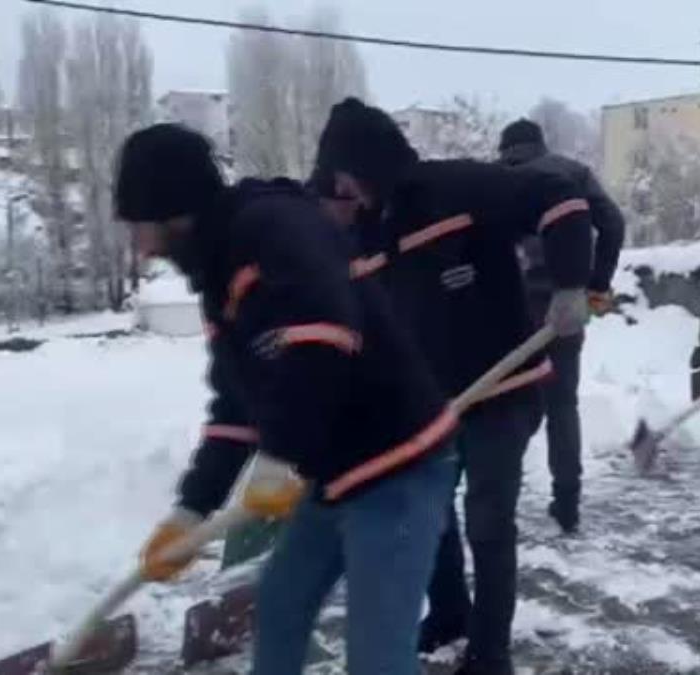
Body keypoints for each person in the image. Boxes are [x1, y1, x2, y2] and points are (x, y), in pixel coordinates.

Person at [115, 124, 458, 675]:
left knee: (377, 658)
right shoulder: (220, 270)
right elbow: (236, 406)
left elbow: (326, 335)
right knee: (280, 606)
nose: (140, 243)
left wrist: (278, 455)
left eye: (140, 225)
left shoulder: (272, 227)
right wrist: (190, 510)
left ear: (172, 210)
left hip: (400, 462)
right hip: (337, 469)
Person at [310, 98, 593, 675]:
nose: (343, 194)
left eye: (344, 179)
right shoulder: (361, 237)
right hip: (430, 402)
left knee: (487, 520)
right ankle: (449, 615)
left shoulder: (455, 187)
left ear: (366, 165)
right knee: (429, 515)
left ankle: (491, 653)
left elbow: (561, 201)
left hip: (502, 387)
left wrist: (571, 284)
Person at [496, 118, 626, 535]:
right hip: (565, 300)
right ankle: (567, 504)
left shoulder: (498, 178)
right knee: (562, 404)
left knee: (509, 404)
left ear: (506, 150)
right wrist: (595, 284)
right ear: (540, 143)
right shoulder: (573, 173)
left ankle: (500, 504)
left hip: (512, 306)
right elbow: (614, 223)